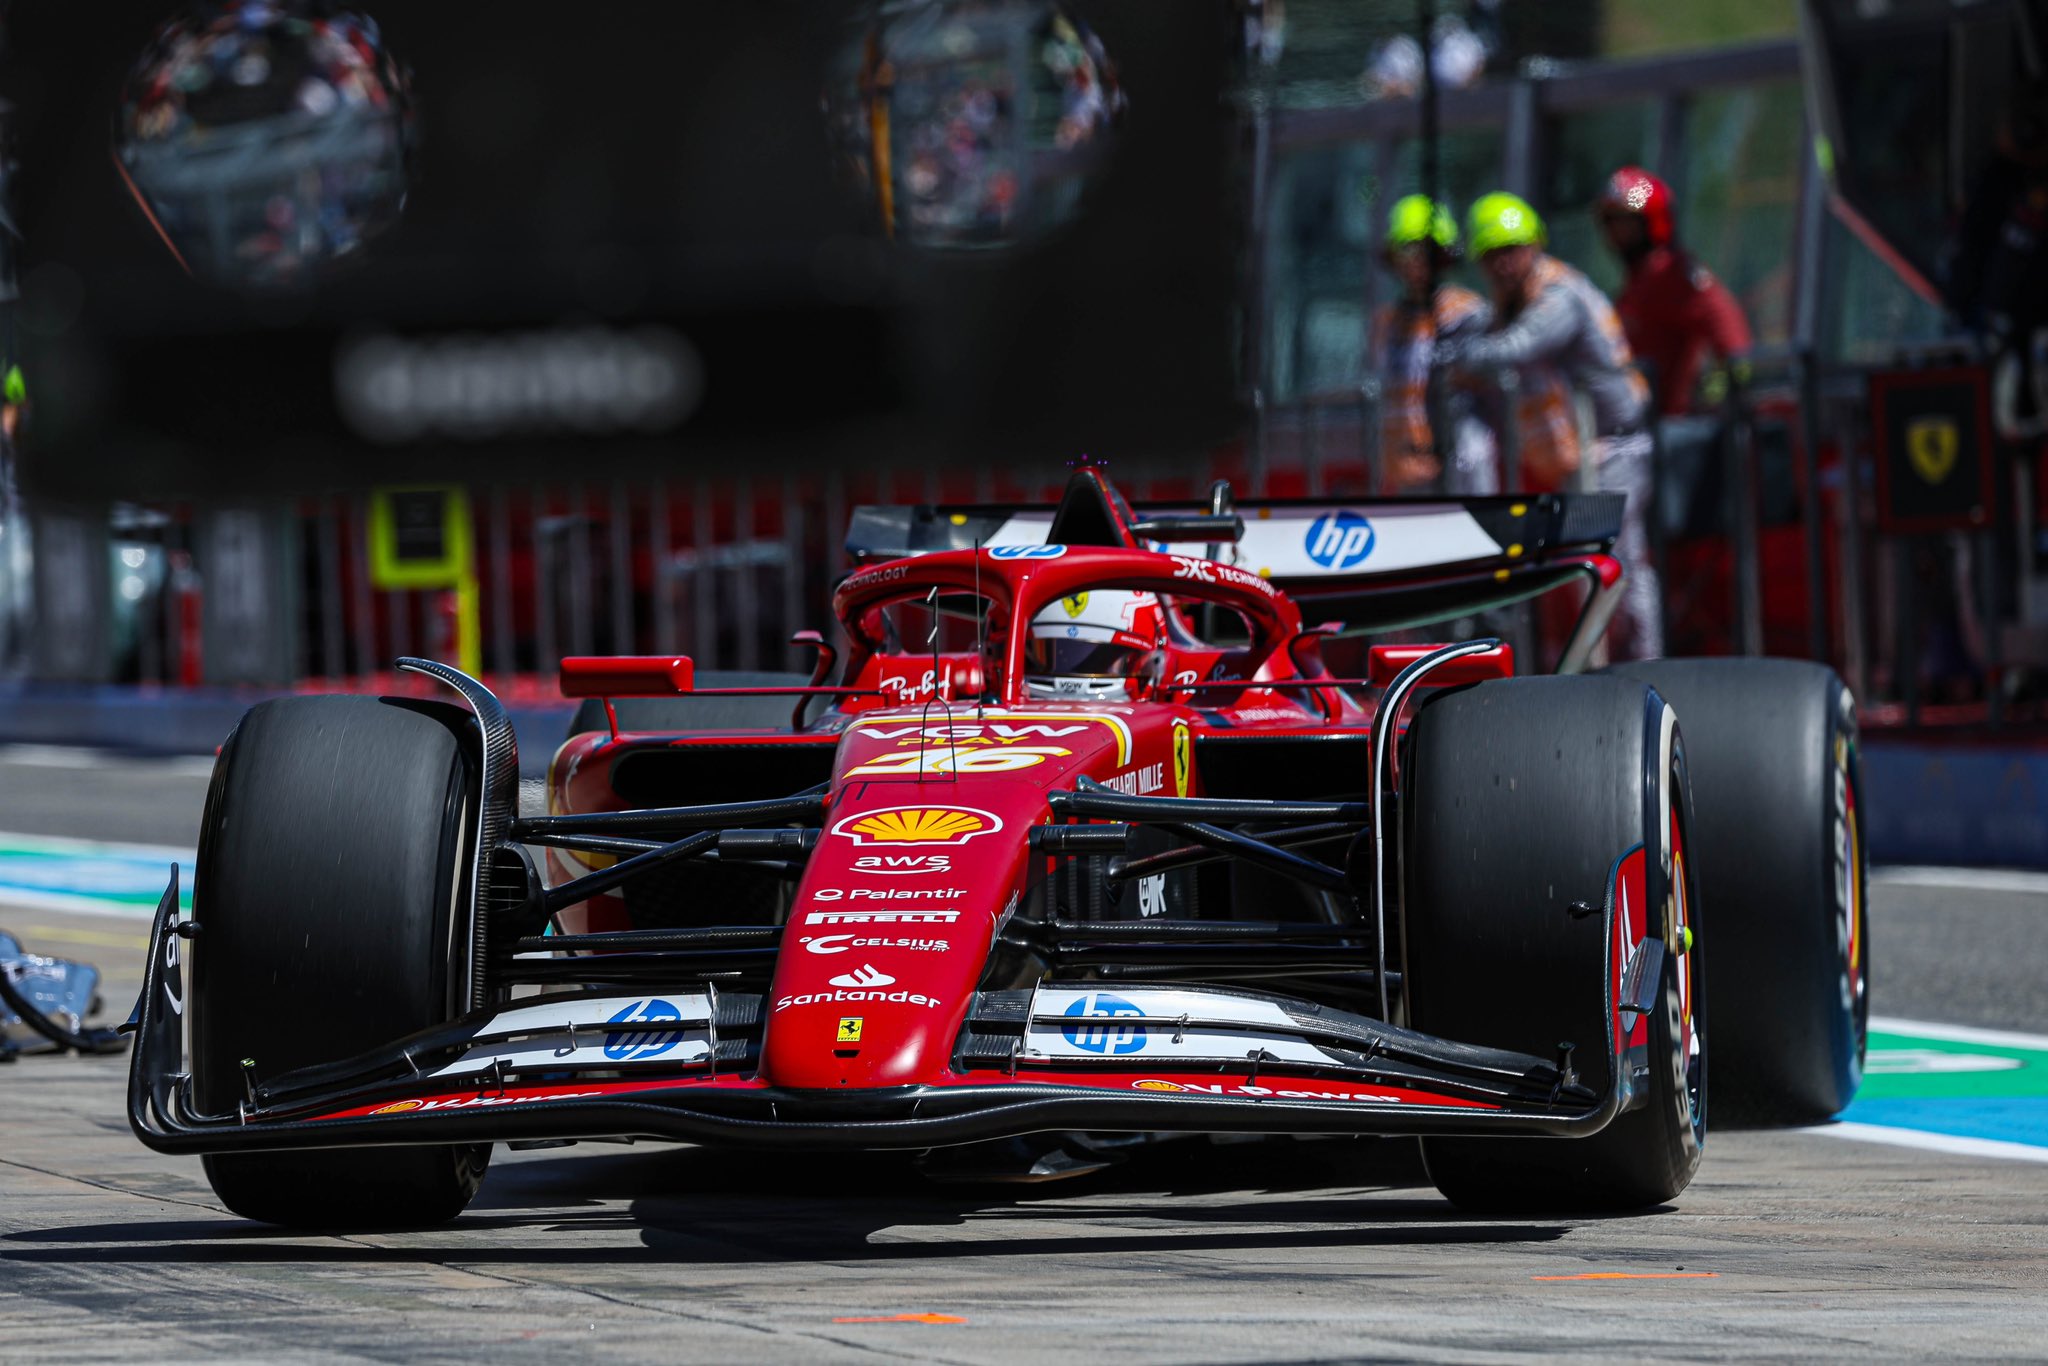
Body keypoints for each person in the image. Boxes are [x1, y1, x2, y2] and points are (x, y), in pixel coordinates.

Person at [1439, 191, 1662, 660]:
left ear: (1536, 246)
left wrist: (1461, 357)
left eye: (1514, 250)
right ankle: (1600, 670)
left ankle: (1645, 668)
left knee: (1615, 564)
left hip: (1613, 448)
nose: (1505, 264)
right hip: (1576, 455)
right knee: (1585, 568)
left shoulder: (1561, 295)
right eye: (1493, 254)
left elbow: (1516, 347)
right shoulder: (1508, 304)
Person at [1596, 166, 1752, 417]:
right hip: (1636, 425)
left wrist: (1724, 390)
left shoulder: (1671, 272)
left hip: (1669, 429)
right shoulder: (1636, 282)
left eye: (1624, 221)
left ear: (1650, 222)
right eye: (1609, 221)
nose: (1613, 233)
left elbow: (1728, 331)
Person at [1367, 194, 1496, 493]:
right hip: (1408, 466)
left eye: (1426, 252)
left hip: (1464, 459)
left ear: (1444, 255)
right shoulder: (1386, 323)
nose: (1417, 262)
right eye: (1408, 251)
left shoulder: (1468, 311)